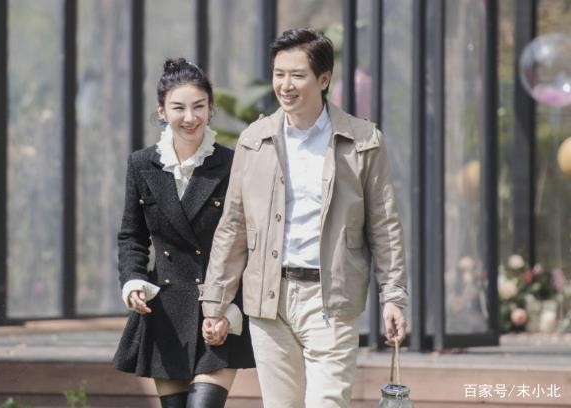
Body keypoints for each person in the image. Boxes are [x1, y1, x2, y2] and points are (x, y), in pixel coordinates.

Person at [200, 28, 408, 407]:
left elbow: (384, 224)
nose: (285, 85)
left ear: (323, 79)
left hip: (331, 300)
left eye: (297, 75)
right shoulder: (254, 140)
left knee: (328, 401)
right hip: (270, 301)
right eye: (279, 74)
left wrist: (393, 296)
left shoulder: (362, 141)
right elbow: (233, 225)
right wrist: (216, 303)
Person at [113, 58, 255, 408]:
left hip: (218, 308)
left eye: (199, 107)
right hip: (165, 311)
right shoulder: (141, 164)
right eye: (179, 108)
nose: (190, 117)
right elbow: (132, 235)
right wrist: (133, 282)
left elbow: (249, 245)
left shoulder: (233, 163)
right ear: (161, 111)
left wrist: (230, 311)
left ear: (211, 108)